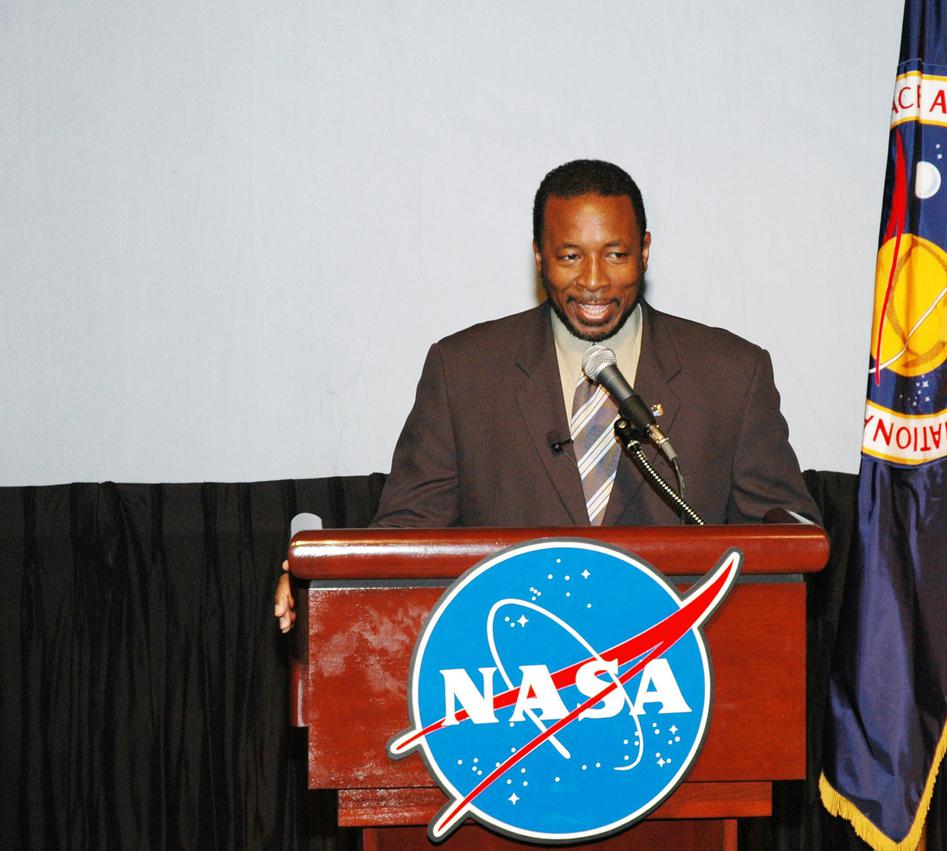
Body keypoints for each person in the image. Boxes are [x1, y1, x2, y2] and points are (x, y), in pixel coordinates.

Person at [276, 159, 816, 631]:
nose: (595, 282)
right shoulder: (464, 372)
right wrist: (321, 584)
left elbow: (789, 536)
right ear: (538, 256)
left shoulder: (730, 373)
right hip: (512, 682)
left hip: (680, 673)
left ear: (646, 252)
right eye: (569, 257)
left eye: (616, 254)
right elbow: (406, 534)